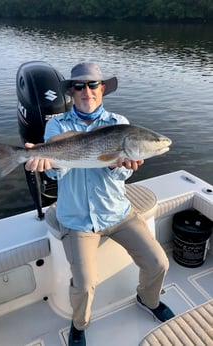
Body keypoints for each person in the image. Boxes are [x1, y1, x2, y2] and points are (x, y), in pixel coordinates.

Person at [25, 62, 175, 346]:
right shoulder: (57, 124)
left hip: (117, 213)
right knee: (84, 284)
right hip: (77, 219)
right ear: (71, 91)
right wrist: (45, 164)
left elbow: (122, 174)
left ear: (102, 88)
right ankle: (79, 325)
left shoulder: (120, 124)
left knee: (158, 262)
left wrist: (120, 166)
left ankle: (148, 299)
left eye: (93, 85)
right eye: (79, 86)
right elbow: (53, 172)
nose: (86, 91)